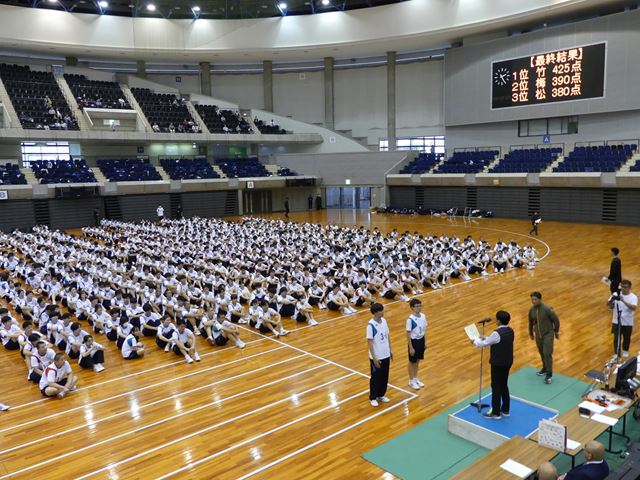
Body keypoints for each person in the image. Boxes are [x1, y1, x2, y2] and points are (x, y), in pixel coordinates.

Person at [472, 310, 514, 419]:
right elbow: (494, 340)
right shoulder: (510, 331)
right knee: (504, 385)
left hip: (498, 363)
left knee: (495, 386)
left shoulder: (496, 333)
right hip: (507, 362)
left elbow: (484, 344)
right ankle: (505, 410)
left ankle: (496, 413)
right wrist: (486, 337)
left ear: (499, 321)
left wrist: (474, 341)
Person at [528, 292, 560, 384]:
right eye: (532, 300)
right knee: (541, 352)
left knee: (547, 353)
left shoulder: (547, 309)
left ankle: (549, 375)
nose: (533, 301)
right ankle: (545, 368)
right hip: (538, 335)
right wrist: (531, 333)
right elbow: (530, 322)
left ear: (540, 299)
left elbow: (556, 320)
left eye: (535, 299)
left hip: (548, 334)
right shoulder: (531, 310)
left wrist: (556, 331)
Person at [367, 303, 393, 407]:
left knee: (384, 376)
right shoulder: (371, 325)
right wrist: (374, 358)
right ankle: (373, 397)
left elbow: (387, 335)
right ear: (375, 312)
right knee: (376, 377)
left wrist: (390, 350)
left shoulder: (384, 321)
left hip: (385, 354)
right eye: (381, 310)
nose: (383, 312)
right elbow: (369, 342)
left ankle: (381, 395)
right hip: (377, 356)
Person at [608, 279, 637, 358]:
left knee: (626, 338)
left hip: (628, 322)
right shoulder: (616, 294)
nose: (623, 289)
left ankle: (625, 351)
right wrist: (611, 301)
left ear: (629, 288)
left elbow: (634, 308)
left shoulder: (633, 297)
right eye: (622, 287)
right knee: (616, 338)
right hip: (616, 321)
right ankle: (617, 353)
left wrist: (623, 301)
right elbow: (608, 304)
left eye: (625, 287)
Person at [406, 298, 427, 390]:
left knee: (418, 360)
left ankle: (415, 378)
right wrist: (411, 347)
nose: (419, 308)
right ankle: (411, 380)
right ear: (412, 308)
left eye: (420, 306)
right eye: (417, 306)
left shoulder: (423, 316)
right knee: (412, 362)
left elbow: (424, 330)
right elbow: (408, 334)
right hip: (414, 342)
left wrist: (424, 342)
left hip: (421, 340)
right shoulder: (410, 320)